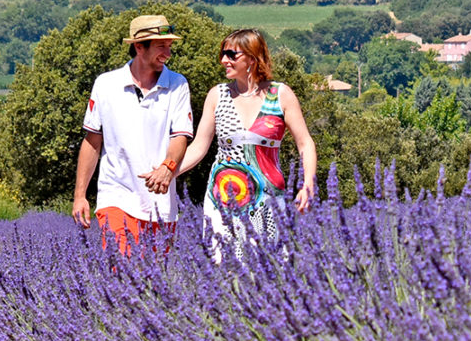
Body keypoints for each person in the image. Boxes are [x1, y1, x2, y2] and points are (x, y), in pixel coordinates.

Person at [178, 28, 317, 258]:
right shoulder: (217, 95)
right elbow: (199, 148)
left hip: (268, 199)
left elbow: (306, 144)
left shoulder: (280, 94)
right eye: (223, 54)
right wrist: (168, 172)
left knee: (271, 270)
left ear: (253, 58)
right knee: (223, 270)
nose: (224, 60)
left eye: (232, 55)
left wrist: (308, 185)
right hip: (221, 199)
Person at [72, 15, 194, 253]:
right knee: (123, 275)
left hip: (161, 202)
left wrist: (167, 168)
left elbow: (181, 136)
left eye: (169, 47)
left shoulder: (178, 84)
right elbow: (92, 141)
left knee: (156, 282)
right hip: (116, 196)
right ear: (139, 47)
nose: (168, 54)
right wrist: (80, 195)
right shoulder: (106, 84)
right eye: (161, 47)